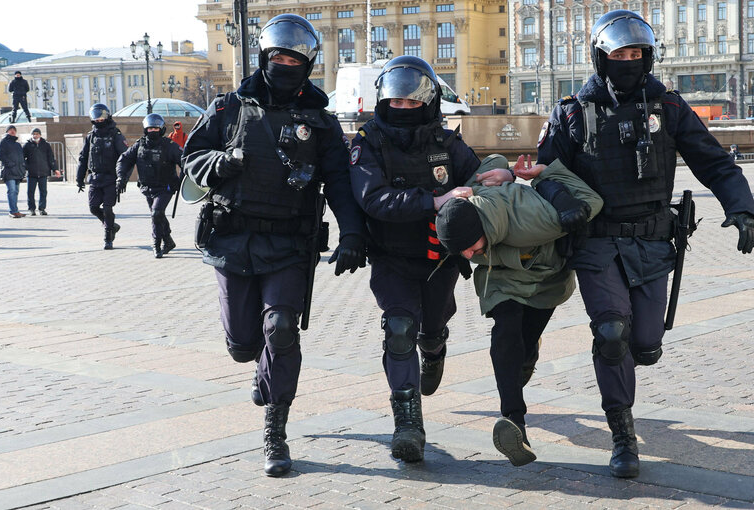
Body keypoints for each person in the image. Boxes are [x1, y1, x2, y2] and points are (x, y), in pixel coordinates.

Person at [536, 10, 754, 478]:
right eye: (619, 53)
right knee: (611, 333)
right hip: (597, 243)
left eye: (636, 53)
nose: (628, 61)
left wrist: (741, 209)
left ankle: (631, 363)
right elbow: (543, 173)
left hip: (654, 244)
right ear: (601, 57)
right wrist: (564, 202)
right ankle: (622, 435)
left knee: (645, 343)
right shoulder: (573, 111)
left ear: (649, 56)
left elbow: (714, 162)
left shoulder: (670, 108)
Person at [183, 14, 366, 477]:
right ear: (264, 57)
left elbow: (341, 183)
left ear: (307, 64)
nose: (285, 64)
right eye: (278, 56)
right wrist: (220, 163)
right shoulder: (228, 108)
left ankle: (275, 429)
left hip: (288, 244)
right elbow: (192, 157)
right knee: (244, 346)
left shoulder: (321, 124)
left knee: (281, 330)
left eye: (294, 58)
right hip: (232, 237)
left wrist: (353, 234)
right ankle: (258, 368)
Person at [349, 55, 511, 463]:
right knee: (400, 327)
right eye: (396, 103)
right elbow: (373, 198)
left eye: (412, 102)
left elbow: (476, 181)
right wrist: (434, 199)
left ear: (429, 101)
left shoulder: (447, 143)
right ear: (384, 101)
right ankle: (407, 424)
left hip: (439, 259)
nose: (403, 109)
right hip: (391, 256)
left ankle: (435, 347)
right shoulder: (369, 142)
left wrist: (500, 176)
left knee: (432, 324)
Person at [435, 154, 602, 466]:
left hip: (543, 279)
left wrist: (544, 173)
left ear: (482, 227)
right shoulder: (469, 202)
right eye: (464, 253)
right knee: (505, 336)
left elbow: (591, 201)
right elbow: (491, 161)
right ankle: (514, 422)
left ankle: (527, 356)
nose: (469, 255)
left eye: (471, 247)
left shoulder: (535, 218)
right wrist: (506, 171)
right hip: (501, 277)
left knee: (524, 348)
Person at [116, 113, 183, 257]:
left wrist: (182, 179)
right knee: (157, 215)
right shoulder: (140, 145)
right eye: (150, 129)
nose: (153, 131)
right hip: (147, 187)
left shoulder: (169, 145)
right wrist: (121, 177)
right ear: (146, 130)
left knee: (156, 213)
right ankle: (168, 240)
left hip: (166, 187)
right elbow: (124, 160)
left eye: (156, 129)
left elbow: (185, 161)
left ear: (161, 129)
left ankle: (156, 243)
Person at [77, 103, 127, 249]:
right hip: (95, 177)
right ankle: (112, 226)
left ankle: (108, 237)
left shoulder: (115, 135)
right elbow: (83, 157)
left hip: (111, 178)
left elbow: (125, 158)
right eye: (96, 119)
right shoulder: (90, 136)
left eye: (101, 118)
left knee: (107, 208)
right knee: (93, 207)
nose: (99, 121)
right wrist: (79, 178)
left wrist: (122, 178)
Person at [23, 127, 57, 215]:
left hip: (43, 172)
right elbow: (22, 158)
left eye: (37, 134)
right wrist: (27, 167)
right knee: (30, 192)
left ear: (40, 135)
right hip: (31, 173)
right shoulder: (27, 145)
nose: (35, 135)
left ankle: (42, 208)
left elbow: (51, 158)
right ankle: (31, 209)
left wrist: (55, 169)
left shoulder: (45, 144)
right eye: (33, 134)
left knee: (43, 192)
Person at [0, 125, 26, 218]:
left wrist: (23, 166)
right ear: (7, 131)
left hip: (18, 171)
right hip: (9, 171)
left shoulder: (17, 144)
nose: (12, 131)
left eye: (14, 130)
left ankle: (15, 210)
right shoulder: (3, 141)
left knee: (16, 191)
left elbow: (21, 157)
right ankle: (13, 211)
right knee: (12, 190)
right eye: (10, 130)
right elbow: (0, 155)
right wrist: (9, 163)